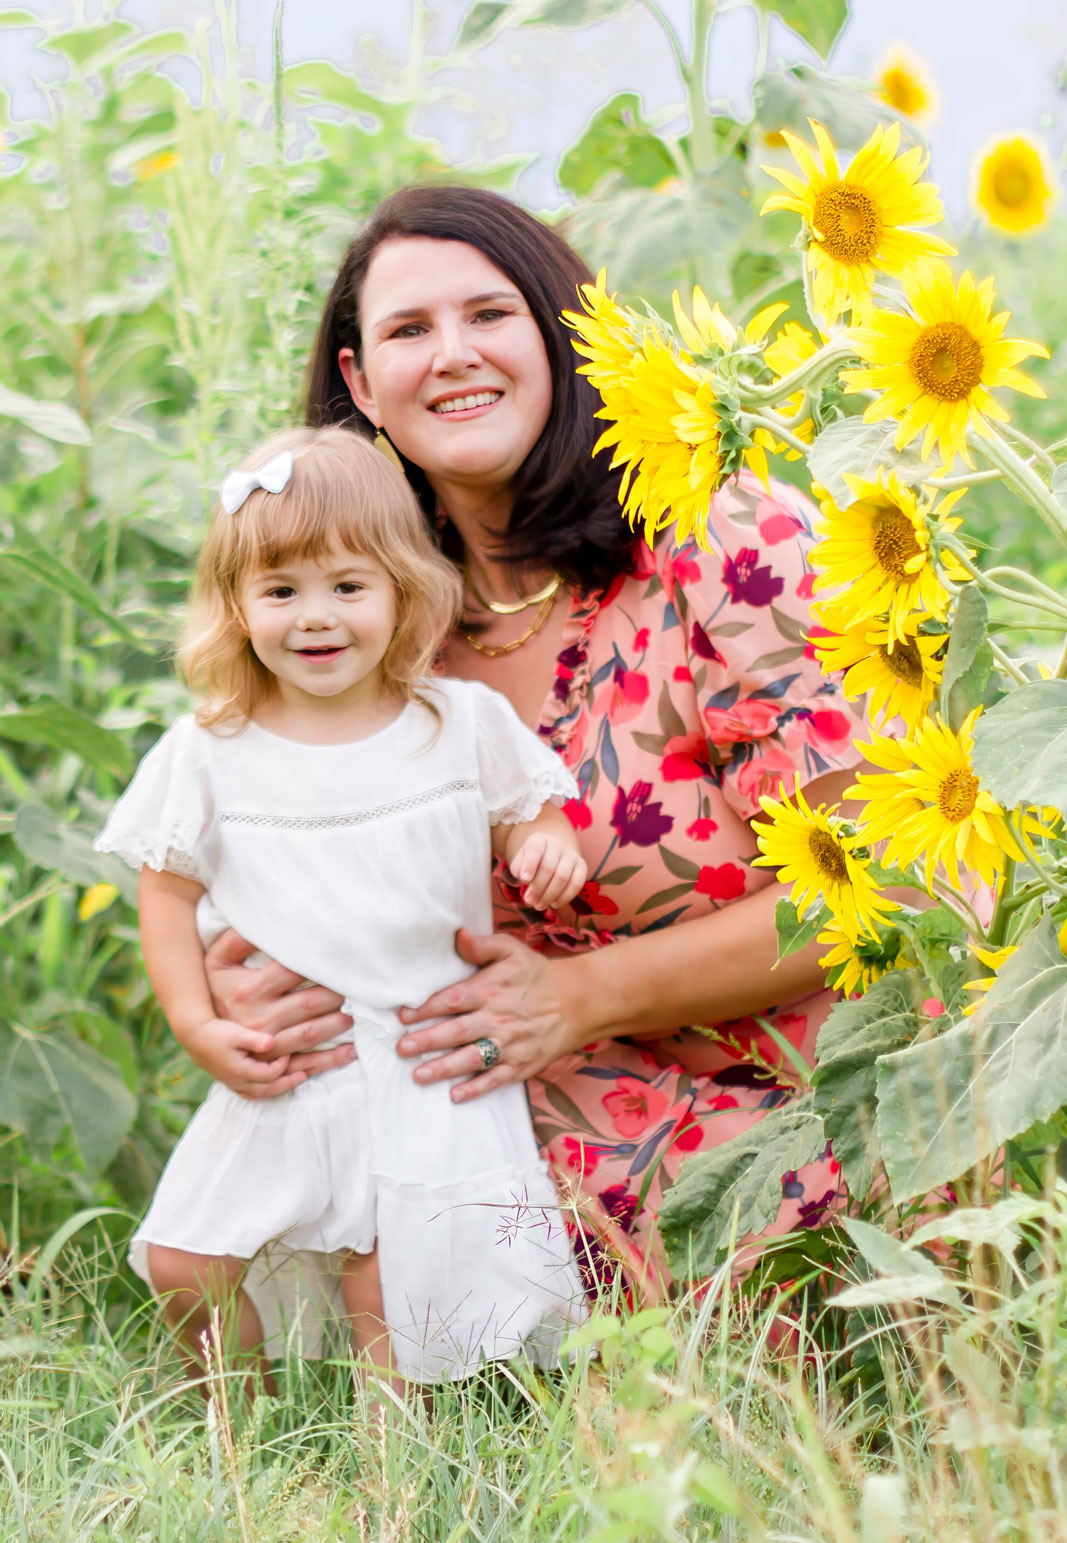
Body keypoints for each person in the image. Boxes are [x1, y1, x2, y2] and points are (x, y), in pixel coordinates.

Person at [203, 186, 870, 1305]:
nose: (452, 355)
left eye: (490, 315)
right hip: (542, 1097)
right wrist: (264, 973)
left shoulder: (725, 538)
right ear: (362, 384)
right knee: (342, 1127)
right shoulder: (366, 638)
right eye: (409, 331)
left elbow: (885, 886)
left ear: (564, 337)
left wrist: (581, 994)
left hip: (811, 1092)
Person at [93, 425, 589, 1386]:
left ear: (403, 588)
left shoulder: (454, 725)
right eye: (280, 591)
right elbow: (166, 892)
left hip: (419, 1058)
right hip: (291, 1068)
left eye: (347, 587)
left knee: (386, 1292)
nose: (314, 618)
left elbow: (532, 809)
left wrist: (542, 847)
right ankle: (237, 1433)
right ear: (236, 607)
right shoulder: (211, 750)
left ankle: (388, 1479)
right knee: (186, 1263)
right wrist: (196, 1024)